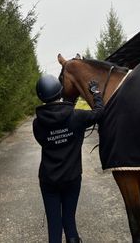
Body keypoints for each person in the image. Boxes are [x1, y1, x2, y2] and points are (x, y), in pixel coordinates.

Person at [33, 74, 104, 243]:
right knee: (69, 220)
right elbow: (99, 113)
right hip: (72, 178)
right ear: (60, 92)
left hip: (48, 181)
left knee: (54, 225)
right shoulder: (77, 116)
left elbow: (44, 140)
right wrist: (95, 93)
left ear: (41, 96)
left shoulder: (37, 124)